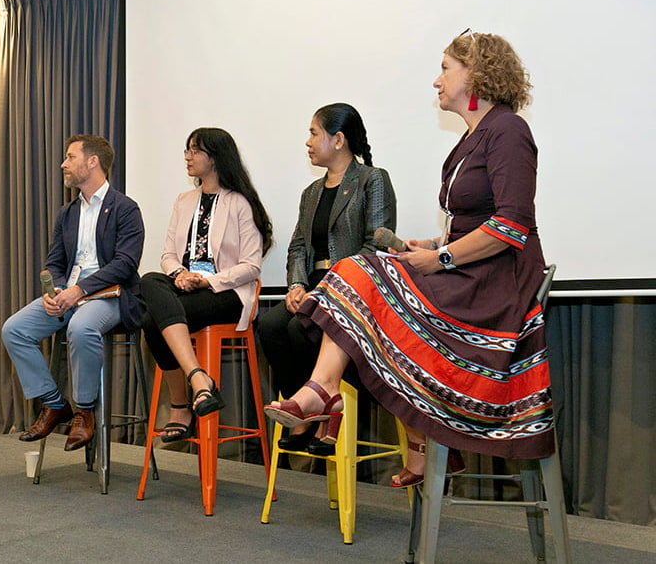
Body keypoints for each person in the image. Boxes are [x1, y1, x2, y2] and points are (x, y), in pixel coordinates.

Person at [265, 30, 551, 488]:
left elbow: (510, 227)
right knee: (358, 282)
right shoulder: (472, 137)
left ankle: (327, 393)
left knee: (357, 272)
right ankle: (366, 412)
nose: (437, 81)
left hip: (495, 288)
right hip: (468, 274)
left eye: (444, 68)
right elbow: (471, 222)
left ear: (475, 72)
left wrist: (442, 259)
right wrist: (432, 248)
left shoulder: (508, 130)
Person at [258, 103, 396, 455]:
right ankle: (305, 416)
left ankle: (321, 405)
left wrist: (329, 286)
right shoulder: (311, 193)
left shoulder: (371, 179)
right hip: (312, 287)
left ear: (338, 140)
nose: (307, 141)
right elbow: (298, 248)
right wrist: (295, 286)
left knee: (297, 329)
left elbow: (375, 243)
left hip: (350, 288)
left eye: (314, 133)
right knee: (271, 326)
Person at [1, 135, 144, 452]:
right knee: (14, 329)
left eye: (69, 156)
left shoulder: (125, 209)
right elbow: (54, 261)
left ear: (92, 161)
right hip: (70, 294)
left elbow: (125, 264)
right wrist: (56, 290)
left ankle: (84, 410)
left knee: (81, 327)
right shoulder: (67, 213)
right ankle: (54, 404)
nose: (63, 164)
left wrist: (80, 290)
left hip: (111, 295)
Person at [140, 127, 273, 442]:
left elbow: (250, 266)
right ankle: (198, 380)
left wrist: (206, 280)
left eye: (194, 150)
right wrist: (180, 275)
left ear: (215, 158)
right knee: (149, 280)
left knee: (151, 320)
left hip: (226, 294)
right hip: (185, 287)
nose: (188, 157)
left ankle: (180, 406)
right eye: (186, 150)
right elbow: (169, 255)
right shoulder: (183, 200)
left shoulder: (240, 203)